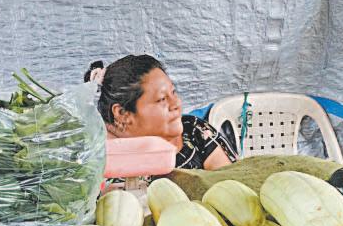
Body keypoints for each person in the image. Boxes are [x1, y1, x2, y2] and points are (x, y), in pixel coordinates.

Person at [84, 54, 237, 170]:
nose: (176, 104)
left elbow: (227, 184)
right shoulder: (102, 163)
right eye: (162, 99)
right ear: (122, 113)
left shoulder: (196, 132)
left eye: (174, 92)